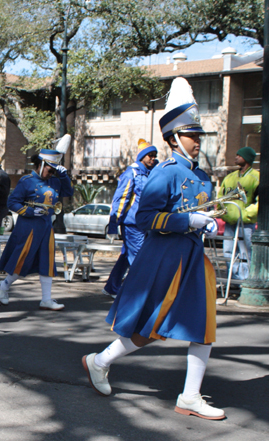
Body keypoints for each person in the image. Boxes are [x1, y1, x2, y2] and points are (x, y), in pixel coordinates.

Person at [82, 77, 225, 420]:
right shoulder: (166, 172)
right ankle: (100, 361)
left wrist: (211, 222)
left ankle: (190, 395)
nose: (196, 142)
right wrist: (185, 222)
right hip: (165, 257)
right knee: (150, 327)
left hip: (192, 258)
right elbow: (146, 217)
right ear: (174, 138)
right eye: (191, 136)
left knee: (204, 327)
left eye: (198, 136)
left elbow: (203, 210)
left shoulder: (203, 176)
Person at [0, 138, 74, 310]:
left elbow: (68, 191)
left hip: (46, 226)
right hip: (28, 227)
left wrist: (63, 175)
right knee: (22, 259)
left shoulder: (54, 181)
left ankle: (46, 299)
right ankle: (4, 285)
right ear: (41, 164)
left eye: (54, 171)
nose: (51, 173)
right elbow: (12, 203)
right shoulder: (26, 181)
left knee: (47, 261)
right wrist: (30, 211)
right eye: (49, 169)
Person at [102, 139, 159, 297]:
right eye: (149, 156)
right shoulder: (131, 173)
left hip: (145, 224)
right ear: (141, 157)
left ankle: (111, 287)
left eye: (154, 155)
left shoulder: (150, 173)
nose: (152, 158)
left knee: (127, 257)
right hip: (132, 225)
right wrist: (113, 225)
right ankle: (135, 295)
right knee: (140, 260)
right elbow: (120, 200)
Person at [218, 146, 259, 280]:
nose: (236, 157)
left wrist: (246, 214)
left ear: (246, 159)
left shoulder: (256, 177)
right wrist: (222, 211)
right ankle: (233, 280)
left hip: (245, 224)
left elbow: (261, 201)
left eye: (239, 155)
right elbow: (221, 195)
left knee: (245, 253)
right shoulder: (230, 177)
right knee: (228, 252)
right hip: (229, 222)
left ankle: (245, 280)